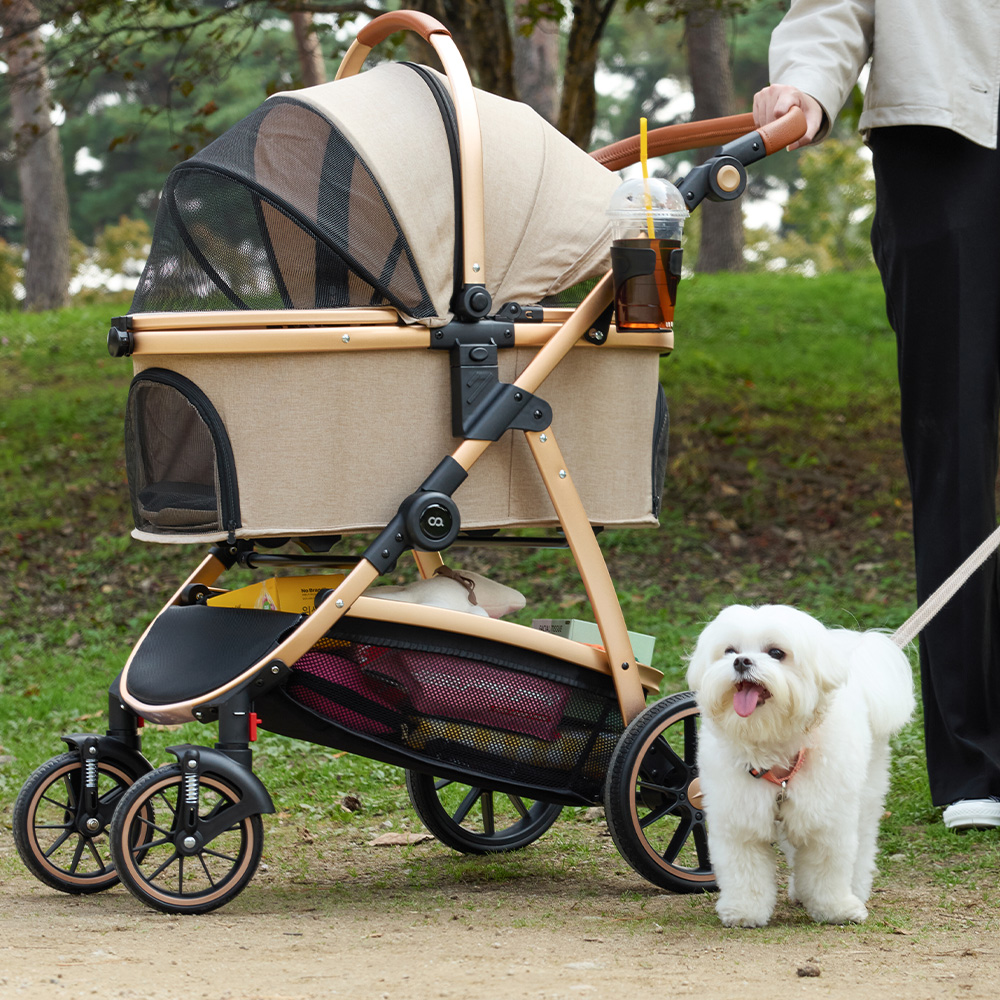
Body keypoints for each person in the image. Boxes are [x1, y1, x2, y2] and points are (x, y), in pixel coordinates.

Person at [753, 0, 1000, 830]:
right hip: (943, 139)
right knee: (953, 455)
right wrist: (803, 88)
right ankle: (975, 764)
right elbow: (834, 12)